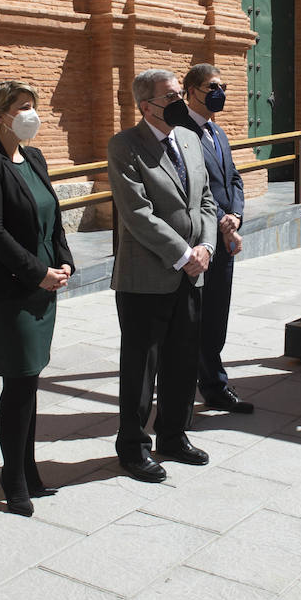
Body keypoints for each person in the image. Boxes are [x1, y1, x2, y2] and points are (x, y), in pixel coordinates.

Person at [0, 80, 75, 516]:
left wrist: (64, 262)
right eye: (23, 108)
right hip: (10, 290)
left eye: (33, 106)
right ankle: (13, 476)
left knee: (30, 380)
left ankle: (26, 467)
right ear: (1, 116)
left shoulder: (34, 157)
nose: (32, 115)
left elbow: (53, 217)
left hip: (44, 287)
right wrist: (37, 273)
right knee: (18, 380)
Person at [107, 68, 216, 482]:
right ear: (145, 106)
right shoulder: (125, 146)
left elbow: (205, 200)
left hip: (193, 272)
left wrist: (205, 247)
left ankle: (173, 434)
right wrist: (183, 253)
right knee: (141, 366)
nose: (178, 104)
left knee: (182, 359)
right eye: (169, 98)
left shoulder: (188, 139)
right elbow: (137, 214)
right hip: (146, 277)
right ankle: (133, 446)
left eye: (178, 96)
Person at [176, 62, 253, 414]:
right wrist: (219, 221)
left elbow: (233, 178)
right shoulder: (178, 132)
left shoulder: (217, 132)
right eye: (211, 86)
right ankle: (209, 385)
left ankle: (209, 382)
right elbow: (188, 189)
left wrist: (235, 215)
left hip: (225, 236)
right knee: (195, 319)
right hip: (199, 240)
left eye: (221, 86)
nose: (218, 93)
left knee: (216, 314)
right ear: (190, 90)